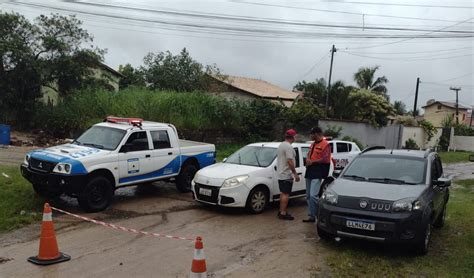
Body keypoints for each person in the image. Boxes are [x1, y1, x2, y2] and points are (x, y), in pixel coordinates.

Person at [303, 127, 331, 223]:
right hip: (310, 170)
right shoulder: (312, 144)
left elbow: (325, 158)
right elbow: (309, 154)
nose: (310, 136)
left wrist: (313, 162)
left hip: (318, 171)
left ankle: (320, 213)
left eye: (312, 134)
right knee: (307, 196)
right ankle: (311, 216)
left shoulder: (325, 144)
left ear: (317, 134)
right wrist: (307, 160)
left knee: (313, 195)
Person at [276, 129, 300, 220]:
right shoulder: (288, 147)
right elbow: (289, 161)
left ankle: (281, 211)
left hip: (281, 173)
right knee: (286, 194)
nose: (296, 137)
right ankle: (283, 213)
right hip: (286, 174)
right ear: (293, 137)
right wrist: (295, 173)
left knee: (283, 193)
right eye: (296, 136)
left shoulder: (282, 145)